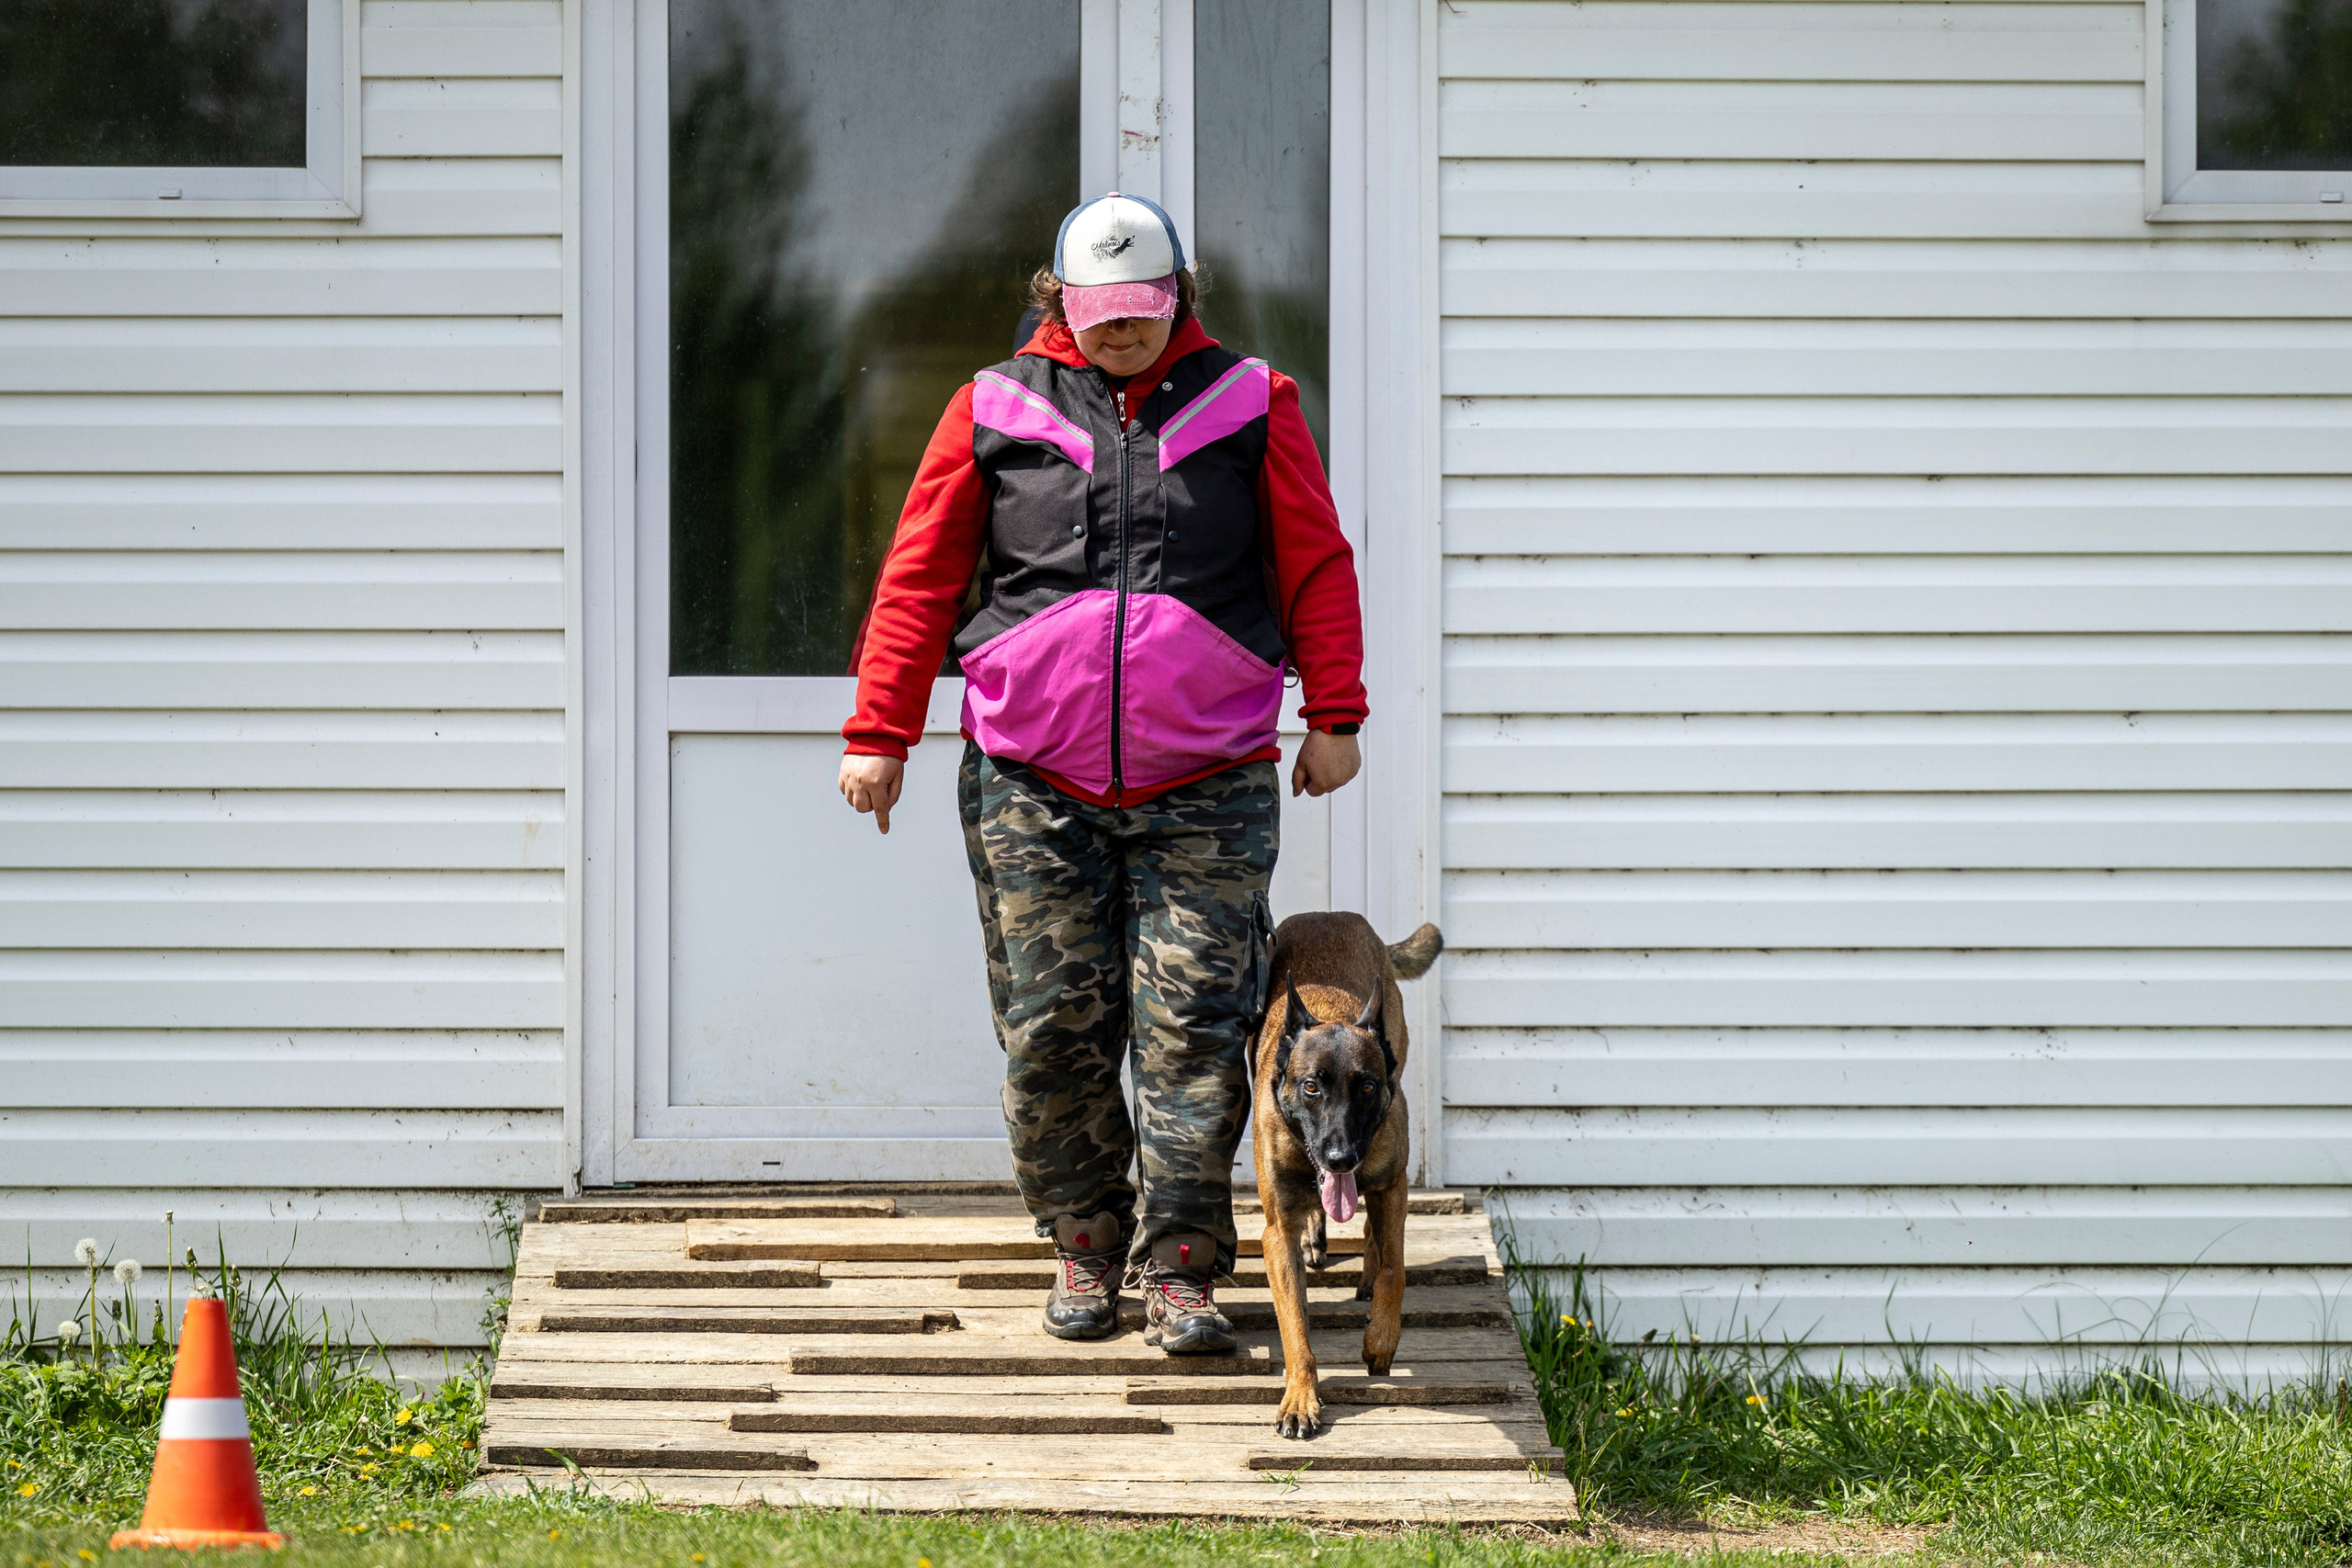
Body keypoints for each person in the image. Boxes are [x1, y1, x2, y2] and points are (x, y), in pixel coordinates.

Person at [838, 192, 1366, 1354]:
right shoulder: (993, 404)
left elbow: (1313, 561)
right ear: (1057, 301)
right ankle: (1084, 1247)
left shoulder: (1253, 401)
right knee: (1052, 1026)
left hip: (1209, 779)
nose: (1121, 330)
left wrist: (1334, 712)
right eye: (1098, 311)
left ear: (1179, 294)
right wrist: (879, 732)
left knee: (1194, 1026)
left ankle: (1180, 1268)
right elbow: (919, 575)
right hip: (1033, 779)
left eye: (1143, 307)